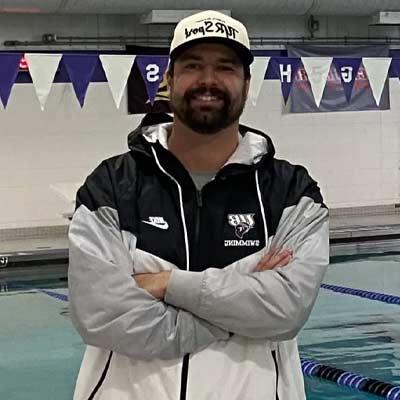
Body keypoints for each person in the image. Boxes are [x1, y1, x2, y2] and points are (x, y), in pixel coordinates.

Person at [68, 10, 329, 400]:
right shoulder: (111, 186)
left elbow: (285, 309)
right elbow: (103, 316)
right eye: (192, 66)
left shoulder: (291, 192)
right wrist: (240, 308)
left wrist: (166, 284)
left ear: (246, 83)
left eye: (225, 67)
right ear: (169, 80)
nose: (208, 80)